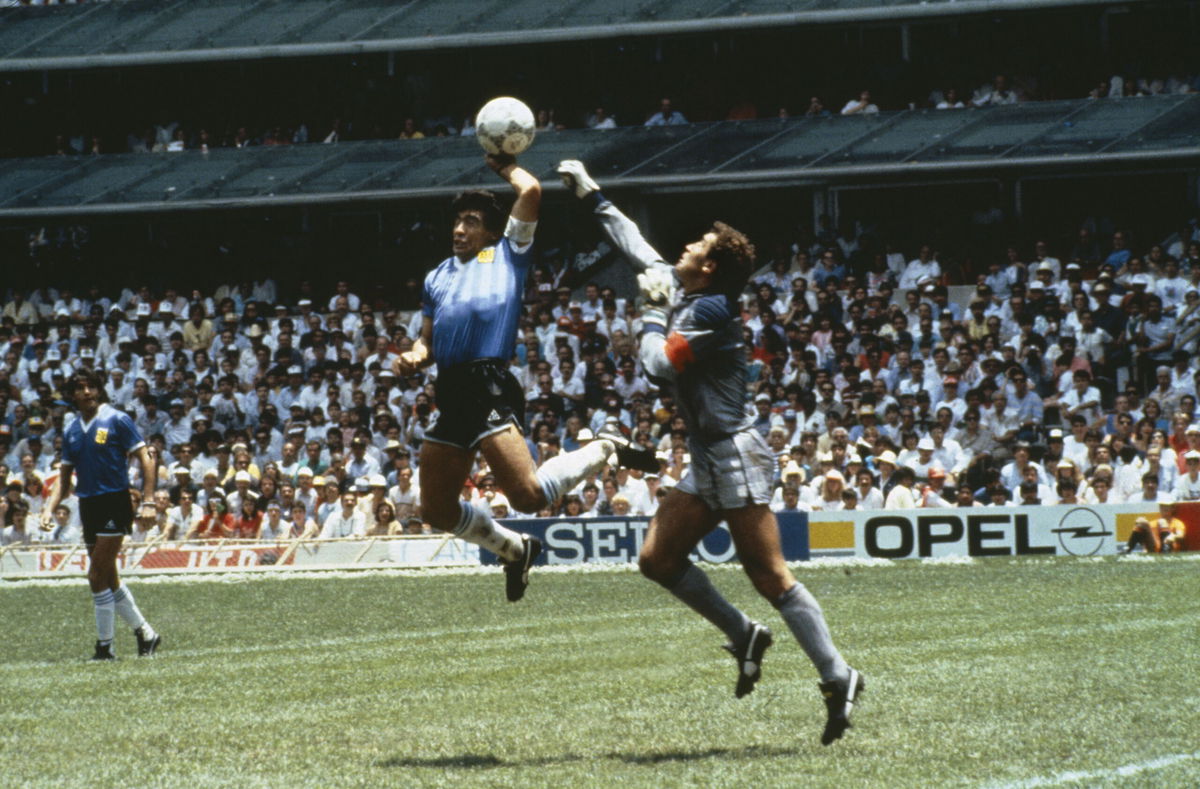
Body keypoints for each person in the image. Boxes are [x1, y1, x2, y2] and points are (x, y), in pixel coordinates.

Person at [557, 159, 862, 746]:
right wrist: (591, 193)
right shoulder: (688, 288)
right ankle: (746, 635)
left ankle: (838, 674)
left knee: (770, 576)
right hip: (710, 456)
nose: (685, 246)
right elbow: (637, 248)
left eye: (696, 244)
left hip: (736, 455)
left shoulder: (712, 310)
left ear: (711, 265)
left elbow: (653, 367)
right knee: (657, 560)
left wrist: (646, 313)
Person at [395, 152, 654, 602]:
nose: (460, 229)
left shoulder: (506, 254)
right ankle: (515, 549)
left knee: (529, 497)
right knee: (435, 509)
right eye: (457, 222)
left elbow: (530, 190)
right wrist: (414, 357)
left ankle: (605, 446)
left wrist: (503, 167)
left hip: (489, 380)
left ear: (492, 231)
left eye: (471, 221)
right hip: (451, 388)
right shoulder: (436, 275)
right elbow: (427, 341)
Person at [40, 369, 161, 661]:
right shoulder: (71, 430)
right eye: (79, 388)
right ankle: (147, 634)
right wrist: (48, 508)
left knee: (95, 574)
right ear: (72, 395)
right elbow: (65, 477)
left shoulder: (117, 419)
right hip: (88, 505)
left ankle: (104, 647)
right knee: (108, 575)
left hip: (114, 502)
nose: (86, 392)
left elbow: (147, 456)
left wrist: (148, 500)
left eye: (91, 386)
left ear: (99, 390)